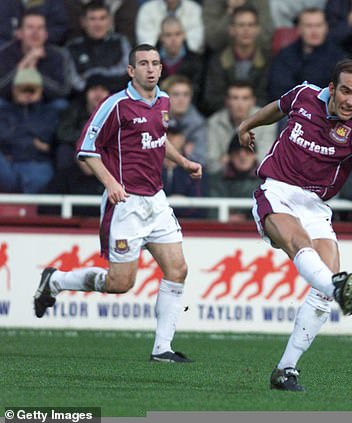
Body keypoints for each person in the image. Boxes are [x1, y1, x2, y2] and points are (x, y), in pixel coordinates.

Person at [33, 44, 203, 363]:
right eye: (143, 63)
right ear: (130, 70)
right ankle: (55, 281)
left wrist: (182, 161)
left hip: (156, 200)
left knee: (177, 269)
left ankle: (162, 349)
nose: (151, 68)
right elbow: (86, 147)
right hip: (126, 204)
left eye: (155, 63)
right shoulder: (116, 105)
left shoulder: (163, 101)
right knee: (120, 283)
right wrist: (110, 182)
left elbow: (156, 138)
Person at [237, 58, 352, 391]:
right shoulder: (305, 95)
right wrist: (246, 125)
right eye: (346, 91)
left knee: (321, 293)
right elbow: (276, 108)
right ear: (332, 88)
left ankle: (286, 369)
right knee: (299, 244)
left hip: (316, 206)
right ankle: (336, 286)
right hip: (276, 189)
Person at [201, 5, 271, 116]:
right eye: (241, 25)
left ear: (258, 29)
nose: (246, 30)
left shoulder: (269, 60)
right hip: (225, 118)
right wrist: (236, 108)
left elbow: (269, 96)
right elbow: (211, 99)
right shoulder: (217, 60)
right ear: (232, 30)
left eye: (251, 25)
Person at [0, 68, 59, 194]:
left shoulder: (50, 113)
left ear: (40, 90)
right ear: (14, 90)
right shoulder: (3, 113)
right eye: (23, 89)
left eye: (32, 89)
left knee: (39, 176)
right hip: (7, 164)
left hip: (37, 164)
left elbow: (51, 139)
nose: (27, 93)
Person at [267, 7, 345, 101]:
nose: (314, 31)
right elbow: (279, 90)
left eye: (318, 25)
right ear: (299, 29)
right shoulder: (285, 56)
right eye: (309, 26)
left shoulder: (339, 57)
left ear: (326, 27)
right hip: (292, 111)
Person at [0, 11, 73, 108]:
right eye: (30, 27)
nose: (35, 32)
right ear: (19, 33)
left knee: (61, 105)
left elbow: (63, 90)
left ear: (46, 34)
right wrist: (24, 63)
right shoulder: (5, 53)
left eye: (40, 28)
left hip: (46, 106)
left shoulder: (58, 55)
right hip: (11, 105)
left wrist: (35, 75)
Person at [206, 81, 277, 172]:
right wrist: (246, 159)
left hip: (255, 178)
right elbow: (210, 163)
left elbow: (266, 160)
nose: (240, 104)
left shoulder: (266, 120)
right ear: (227, 101)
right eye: (235, 98)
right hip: (223, 178)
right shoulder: (214, 122)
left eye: (245, 98)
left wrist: (231, 159)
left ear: (253, 101)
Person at [65, 1, 131, 93]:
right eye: (92, 19)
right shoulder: (72, 47)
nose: (98, 24)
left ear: (109, 21)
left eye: (102, 18)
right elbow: (72, 79)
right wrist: (92, 90)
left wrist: (96, 76)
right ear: (83, 22)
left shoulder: (120, 42)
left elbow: (127, 70)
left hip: (117, 94)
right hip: (83, 98)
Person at [136, 0, 204, 54]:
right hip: (156, 62)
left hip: (188, 61)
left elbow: (196, 45)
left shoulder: (194, 8)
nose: (173, 39)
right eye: (168, 35)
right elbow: (146, 46)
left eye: (178, 34)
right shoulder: (147, 9)